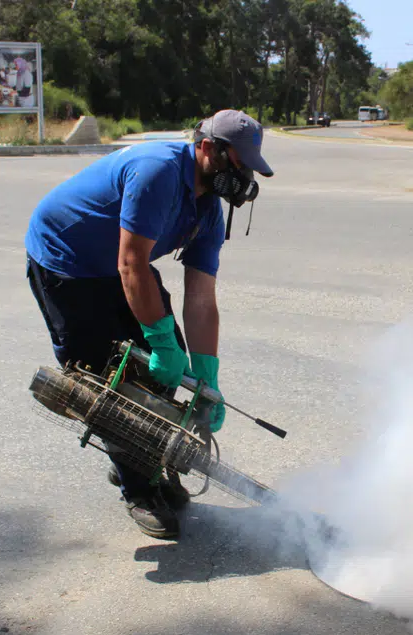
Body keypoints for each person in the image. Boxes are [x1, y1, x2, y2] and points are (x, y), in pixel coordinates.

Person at [24, 109, 274, 540]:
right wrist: (158, 340)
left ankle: (146, 459)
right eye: (239, 163)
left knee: (165, 375)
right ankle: (138, 487)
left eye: (249, 168)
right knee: (109, 383)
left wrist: (205, 373)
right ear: (208, 149)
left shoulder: (208, 211)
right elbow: (131, 263)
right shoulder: (158, 172)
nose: (244, 178)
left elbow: (201, 297)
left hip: (121, 264)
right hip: (68, 263)